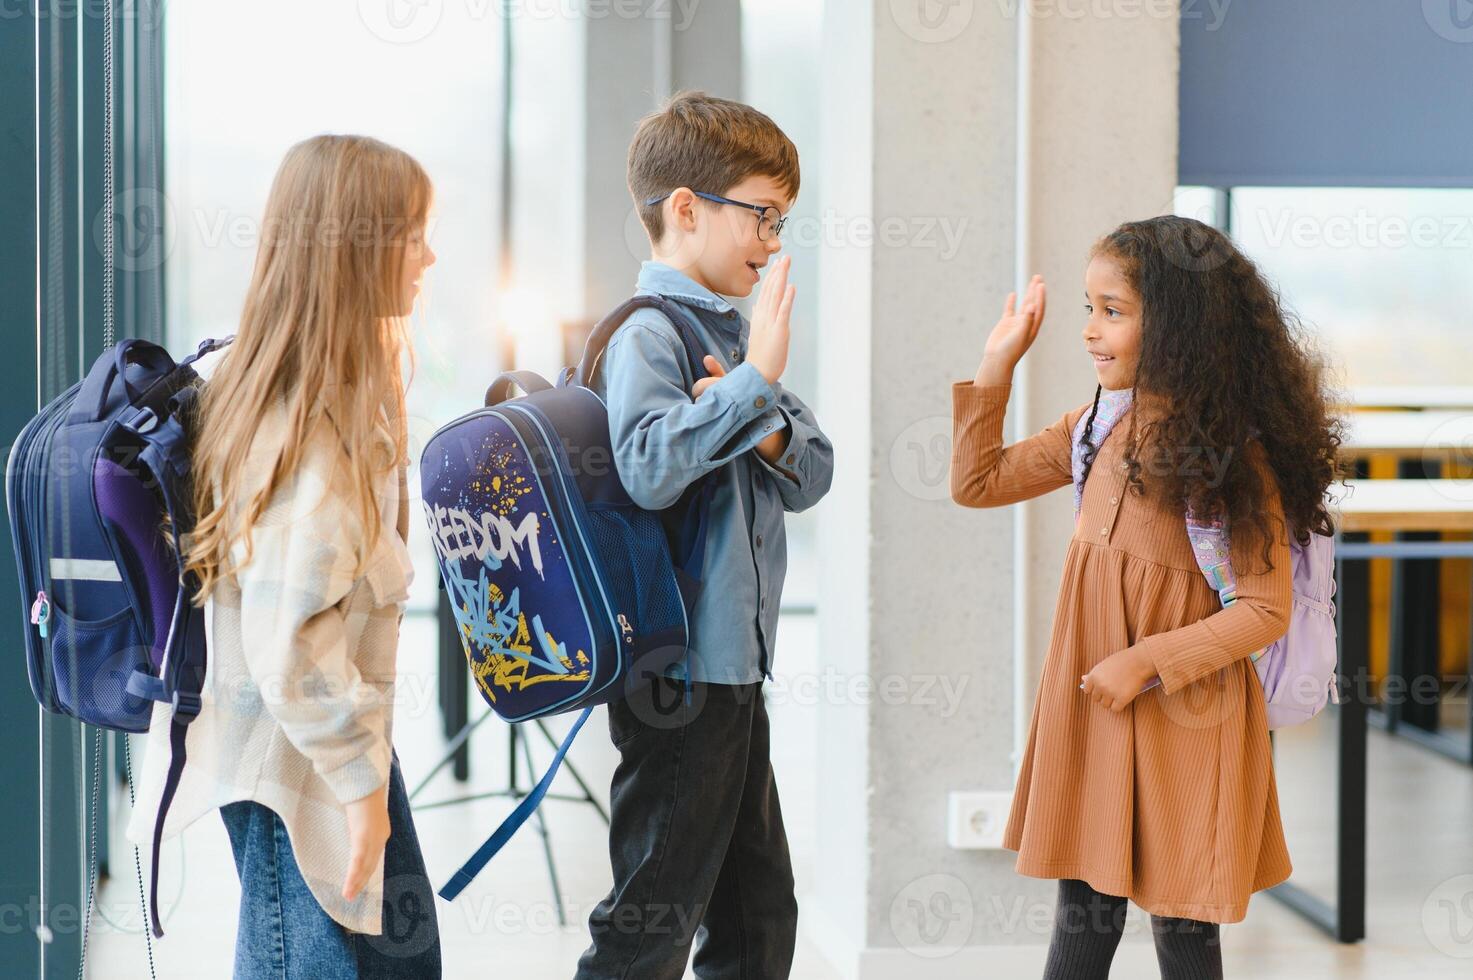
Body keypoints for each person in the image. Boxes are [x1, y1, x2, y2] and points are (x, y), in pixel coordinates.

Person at [950, 216, 1341, 979]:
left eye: (1113, 311)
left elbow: (1262, 609)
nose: (1091, 332)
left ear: (1179, 328)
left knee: (1184, 925)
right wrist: (996, 367)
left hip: (1186, 716)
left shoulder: (1231, 456)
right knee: (1084, 908)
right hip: (1101, 712)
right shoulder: (1095, 425)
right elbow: (977, 482)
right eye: (1088, 310)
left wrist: (1145, 663)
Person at [127, 134, 442, 979]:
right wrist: (362, 789)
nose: (429, 257)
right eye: (413, 234)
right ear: (357, 242)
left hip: (304, 755)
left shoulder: (288, 386)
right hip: (296, 766)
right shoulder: (310, 420)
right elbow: (288, 640)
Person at [574, 91, 835, 979]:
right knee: (651, 919)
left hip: (733, 666)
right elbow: (647, 466)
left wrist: (756, 412)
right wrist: (753, 382)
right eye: (761, 216)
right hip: (676, 674)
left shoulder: (732, 331)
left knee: (758, 910)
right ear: (685, 209)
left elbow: (816, 472)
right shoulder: (649, 336)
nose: (772, 241)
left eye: (782, 220)